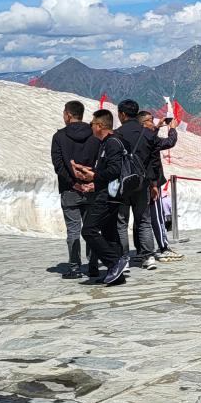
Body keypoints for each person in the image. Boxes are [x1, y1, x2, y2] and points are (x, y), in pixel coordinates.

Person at [77, 109, 132, 285]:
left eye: (92, 124)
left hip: (110, 194)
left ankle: (115, 262)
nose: (91, 127)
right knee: (109, 232)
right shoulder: (112, 142)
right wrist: (93, 178)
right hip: (112, 192)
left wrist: (94, 176)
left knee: (89, 230)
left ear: (100, 126)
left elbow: (114, 170)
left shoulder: (112, 143)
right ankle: (116, 275)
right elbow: (107, 171)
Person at [50, 100, 101, 280]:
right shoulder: (94, 136)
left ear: (68, 115)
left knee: (73, 230)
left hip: (70, 190)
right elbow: (101, 162)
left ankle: (75, 267)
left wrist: (74, 183)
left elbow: (59, 166)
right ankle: (93, 265)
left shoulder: (59, 137)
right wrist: (92, 180)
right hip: (92, 188)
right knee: (92, 229)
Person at [114, 100, 159, 271]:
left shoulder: (117, 134)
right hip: (143, 183)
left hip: (123, 184)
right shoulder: (148, 134)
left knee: (121, 222)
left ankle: (123, 258)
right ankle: (148, 257)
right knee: (144, 220)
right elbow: (154, 161)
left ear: (123, 114)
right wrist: (153, 183)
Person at [139, 111, 184, 262]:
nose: (153, 122)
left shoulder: (136, 136)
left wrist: (157, 127)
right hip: (152, 182)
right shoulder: (150, 138)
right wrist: (172, 128)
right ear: (143, 123)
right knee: (157, 216)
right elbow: (169, 142)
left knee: (141, 218)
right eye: (150, 120)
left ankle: (142, 250)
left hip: (136, 183)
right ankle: (163, 247)